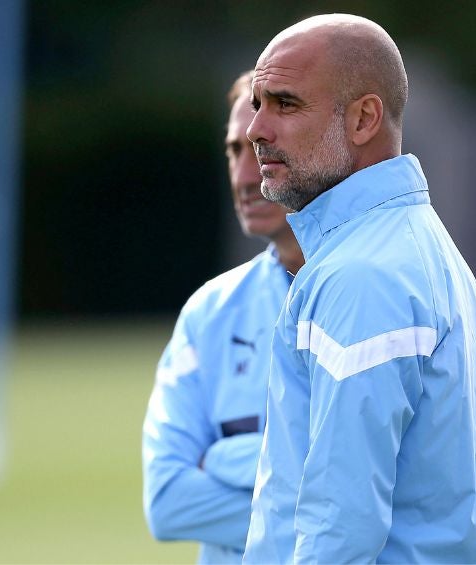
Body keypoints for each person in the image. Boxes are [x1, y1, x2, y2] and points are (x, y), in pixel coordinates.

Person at [242, 14, 476, 564]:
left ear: (364, 119)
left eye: (285, 104)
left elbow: (343, 524)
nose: (256, 129)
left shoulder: (363, 274)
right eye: (258, 103)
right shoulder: (407, 245)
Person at [141, 71, 304, 564]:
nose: (243, 176)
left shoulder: (370, 292)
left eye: (259, 152)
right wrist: (314, 503)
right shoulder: (209, 312)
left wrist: (221, 457)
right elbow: (167, 502)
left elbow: (385, 490)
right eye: (235, 152)